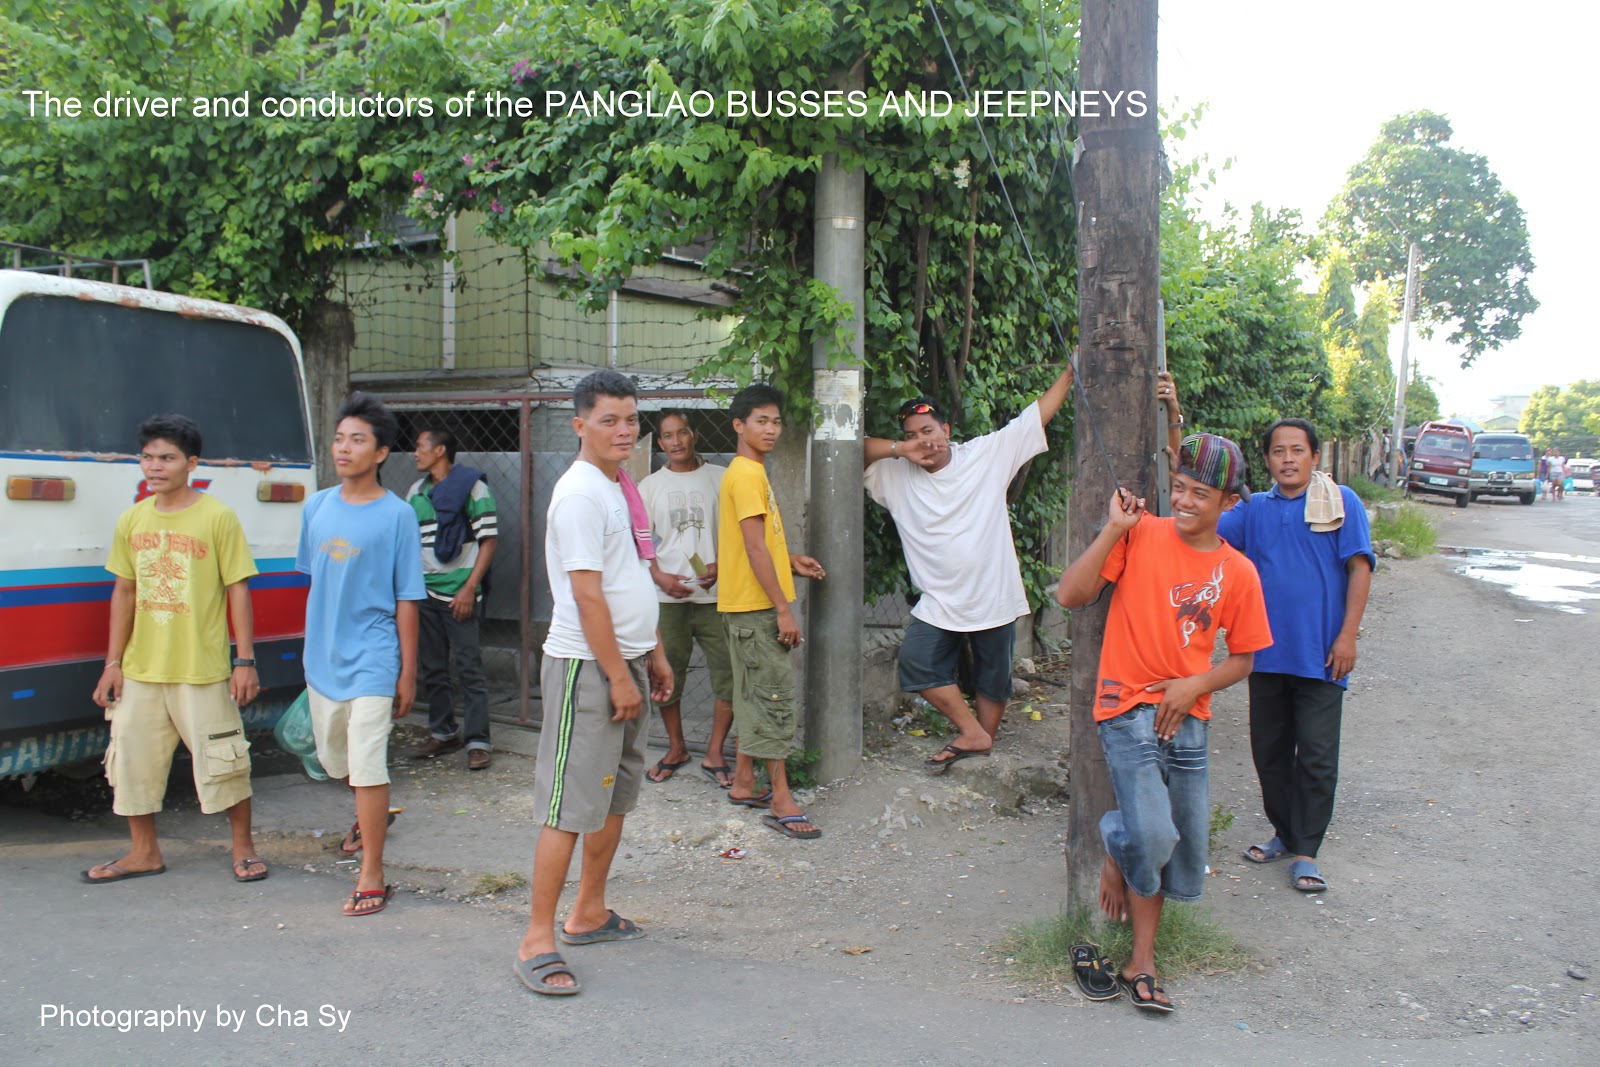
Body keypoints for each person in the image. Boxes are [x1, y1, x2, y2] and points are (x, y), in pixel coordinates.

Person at [863, 367, 1184, 767]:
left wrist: (1071, 373)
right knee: (916, 661)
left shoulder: (982, 454)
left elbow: (1034, 418)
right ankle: (973, 733)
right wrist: (899, 449)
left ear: (945, 429)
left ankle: (983, 741)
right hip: (939, 600)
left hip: (994, 593)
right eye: (911, 434)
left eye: (928, 430)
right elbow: (849, 449)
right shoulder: (893, 474)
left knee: (993, 678)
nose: (921, 442)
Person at [1055, 434, 1272, 1013]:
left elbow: (1244, 657)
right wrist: (1113, 530)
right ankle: (1114, 834)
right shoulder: (1140, 534)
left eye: (1200, 494)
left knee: (1180, 858)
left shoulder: (1238, 572)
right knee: (1149, 834)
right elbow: (1071, 596)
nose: (1183, 500)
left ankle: (1140, 962)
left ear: (1229, 503)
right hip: (1125, 705)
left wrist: (1195, 685)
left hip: (1188, 715)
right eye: (1178, 487)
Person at [513, 370, 673, 997]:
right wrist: (616, 675)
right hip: (588, 669)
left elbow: (629, 580)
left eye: (631, 419)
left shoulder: (619, 487)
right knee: (569, 807)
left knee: (613, 799)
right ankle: (536, 937)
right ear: (579, 425)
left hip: (625, 662)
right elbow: (585, 596)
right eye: (608, 419)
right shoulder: (580, 493)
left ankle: (589, 912)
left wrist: (650, 656)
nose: (623, 430)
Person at [86, 414, 266, 885]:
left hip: (201, 669)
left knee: (225, 760)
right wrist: (113, 663)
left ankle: (243, 849)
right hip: (141, 670)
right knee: (131, 763)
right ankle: (144, 852)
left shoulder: (217, 517)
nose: (154, 466)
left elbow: (238, 590)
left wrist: (244, 660)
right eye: (147, 457)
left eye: (166, 457)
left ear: (192, 463)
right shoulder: (133, 519)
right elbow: (123, 593)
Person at [1217, 419, 1375, 894]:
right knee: (1269, 753)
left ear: (1314, 457)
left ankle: (1306, 850)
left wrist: (1347, 636)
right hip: (1264, 654)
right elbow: (1202, 523)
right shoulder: (1254, 511)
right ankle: (1286, 833)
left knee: (1317, 756)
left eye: (1297, 450)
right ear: (1265, 460)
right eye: (1278, 451)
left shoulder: (1341, 503)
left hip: (1322, 655)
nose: (1288, 458)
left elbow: (1360, 567)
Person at [296, 392, 425, 917]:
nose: (344, 448)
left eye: (358, 440)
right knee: (337, 761)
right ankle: (367, 814)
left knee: (369, 763)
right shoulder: (316, 506)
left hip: (375, 655)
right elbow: (312, 584)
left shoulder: (397, 516)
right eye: (340, 438)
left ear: (380, 454)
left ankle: (372, 872)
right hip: (322, 658)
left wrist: (407, 671)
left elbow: (407, 598)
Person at [717, 383, 827, 838]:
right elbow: (753, 546)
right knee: (774, 700)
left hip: (748, 606)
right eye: (761, 420)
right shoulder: (745, 474)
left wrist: (790, 561)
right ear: (739, 425)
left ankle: (745, 783)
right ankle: (781, 799)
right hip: (758, 610)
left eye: (777, 421)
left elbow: (761, 548)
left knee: (752, 698)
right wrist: (783, 609)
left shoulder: (750, 472)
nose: (771, 429)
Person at [638, 411, 736, 787]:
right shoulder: (649, 486)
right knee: (666, 676)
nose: (676, 441)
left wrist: (725, 565)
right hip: (667, 598)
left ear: (695, 435)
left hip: (717, 597)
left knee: (727, 677)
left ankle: (714, 753)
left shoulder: (721, 478)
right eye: (667, 436)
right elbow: (640, 545)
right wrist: (659, 576)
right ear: (660, 443)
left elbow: (742, 534)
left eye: (682, 433)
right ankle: (676, 748)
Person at [406, 427, 499, 770]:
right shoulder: (415, 493)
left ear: (440, 450)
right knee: (432, 668)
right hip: (425, 593)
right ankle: (443, 733)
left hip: (460, 594)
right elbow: (410, 545)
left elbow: (489, 540)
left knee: (469, 667)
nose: (415, 453)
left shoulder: (474, 488)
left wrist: (468, 588)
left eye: (420, 446)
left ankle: (478, 740)